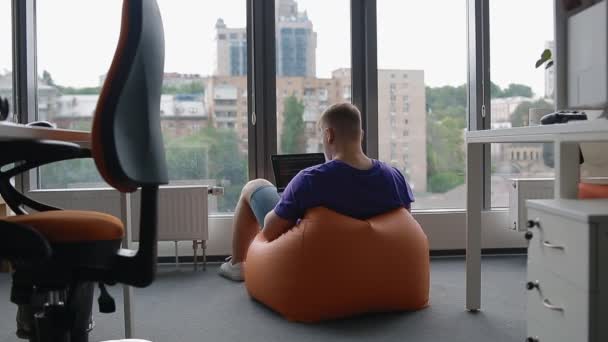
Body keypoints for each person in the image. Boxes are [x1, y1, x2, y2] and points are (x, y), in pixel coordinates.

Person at [219, 103, 414, 281]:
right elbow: (402, 226)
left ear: (329, 135)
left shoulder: (310, 178)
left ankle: (237, 264)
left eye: (322, 135)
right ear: (360, 135)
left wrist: (287, 201)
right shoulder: (395, 176)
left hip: (317, 261)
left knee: (254, 186)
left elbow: (270, 231)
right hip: (375, 265)